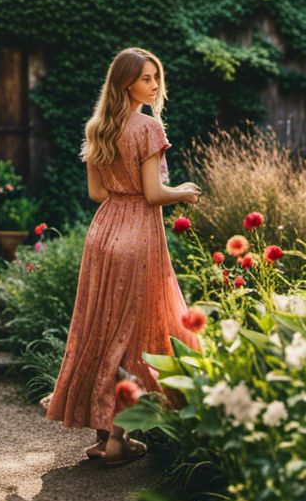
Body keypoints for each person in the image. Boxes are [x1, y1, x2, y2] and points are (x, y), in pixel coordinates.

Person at [43, 47, 203, 466]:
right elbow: (153, 194)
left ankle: (103, 436)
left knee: (100, 328)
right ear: (125, 82)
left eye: (156, 77)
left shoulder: (98, 127)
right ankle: (118, 438)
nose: (154, 84)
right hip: (138, 233)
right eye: (147, 78)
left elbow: (97, 193)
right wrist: (183, 191)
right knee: (132, 334)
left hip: (104, 230)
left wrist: (123, 190)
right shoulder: (147, 128)